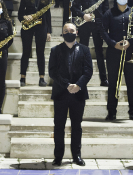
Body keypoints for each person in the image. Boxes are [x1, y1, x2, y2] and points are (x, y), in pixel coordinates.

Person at [49, 22, 93, 167]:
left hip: (78, 94)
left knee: (77, 126)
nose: (69, 32)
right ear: (62, 33)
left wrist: (78, 85)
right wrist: (67, 85)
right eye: (66, 30)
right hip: (61, 93)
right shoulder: (55, 50)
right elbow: (52, 72)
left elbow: (88, 71)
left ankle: (76, 155)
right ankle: (58, 156)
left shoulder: (85, 50)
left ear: (77, 32)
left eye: (71, 30)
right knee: (59, 126)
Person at [101, 0, 133, 122]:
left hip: (130, 51)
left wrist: (130, 42)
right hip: (114, 52)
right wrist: (114, 43)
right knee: (113, 83)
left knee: (132, 83)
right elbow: (103, 31)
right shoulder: (109, 13)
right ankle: (112, 112)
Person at [72, 0, 109, 86]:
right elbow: (74, 7)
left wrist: (105, 28)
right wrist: (83, 15)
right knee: (82, 51)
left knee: (99, 52)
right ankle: (81, 78)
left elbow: (107, 11)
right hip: (85, 24)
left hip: (98, 24)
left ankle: (103, 79)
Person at [18, 0, 52, 87]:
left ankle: (41, 78)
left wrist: (49, 31)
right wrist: (24, 17)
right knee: (26, 52)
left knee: (40, 53)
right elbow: (20, 14)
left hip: (41, 26)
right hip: (28, 25)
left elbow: (48, 15)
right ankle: (22, 78)